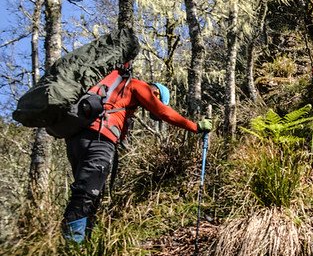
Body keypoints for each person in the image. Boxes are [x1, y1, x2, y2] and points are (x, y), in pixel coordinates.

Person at [62, 64, 213, 243]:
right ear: (156, 94)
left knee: (90, 193)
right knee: (86, 193)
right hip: (99, 139)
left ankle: (83, 244)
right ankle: (72, 248)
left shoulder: (115, 93)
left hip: (77, 140)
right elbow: (163, 112)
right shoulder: (137, 85)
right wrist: (195, 127)